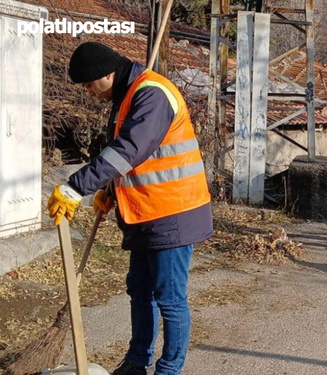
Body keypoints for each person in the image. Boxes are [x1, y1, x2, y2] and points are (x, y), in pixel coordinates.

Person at [46, 42, 214, 375]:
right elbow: (138, 162)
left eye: (91, 85)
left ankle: (169, 370)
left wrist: (75, 187)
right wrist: (110, 189)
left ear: (107, 74)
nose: (91, 93)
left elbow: (129, 150)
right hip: (144, 213)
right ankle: (137, 361)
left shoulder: (152, 94)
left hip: (174, 213)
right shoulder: (128, 95)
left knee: (169, 298)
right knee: (140, 290)